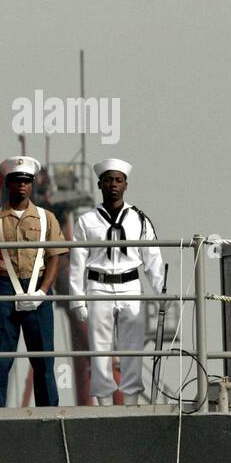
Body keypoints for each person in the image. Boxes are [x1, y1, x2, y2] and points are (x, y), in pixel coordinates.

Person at [68, 158, 166, 406]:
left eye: (118, 180)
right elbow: (77, 262)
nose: (113, 184)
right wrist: (77, 299)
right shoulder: (86, 221)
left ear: (126, 185)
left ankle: (131, 397)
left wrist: (161, 289)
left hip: (130, 285)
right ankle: (102, 398)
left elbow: (152, 256)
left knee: (132, 345)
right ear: (100, 184)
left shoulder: (139, 219)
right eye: (109, 180)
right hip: (98, 285)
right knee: (99, 347)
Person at [0, 156, 67, 407]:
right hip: (4, 287)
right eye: (16, 180)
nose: (21, 185)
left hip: (38, 285)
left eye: (26, 181)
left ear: (32, 185)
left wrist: (43, 292)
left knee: (43, 359)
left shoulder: (46, 218)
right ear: (8, 184)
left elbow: (55, 257)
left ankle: (49, 412)